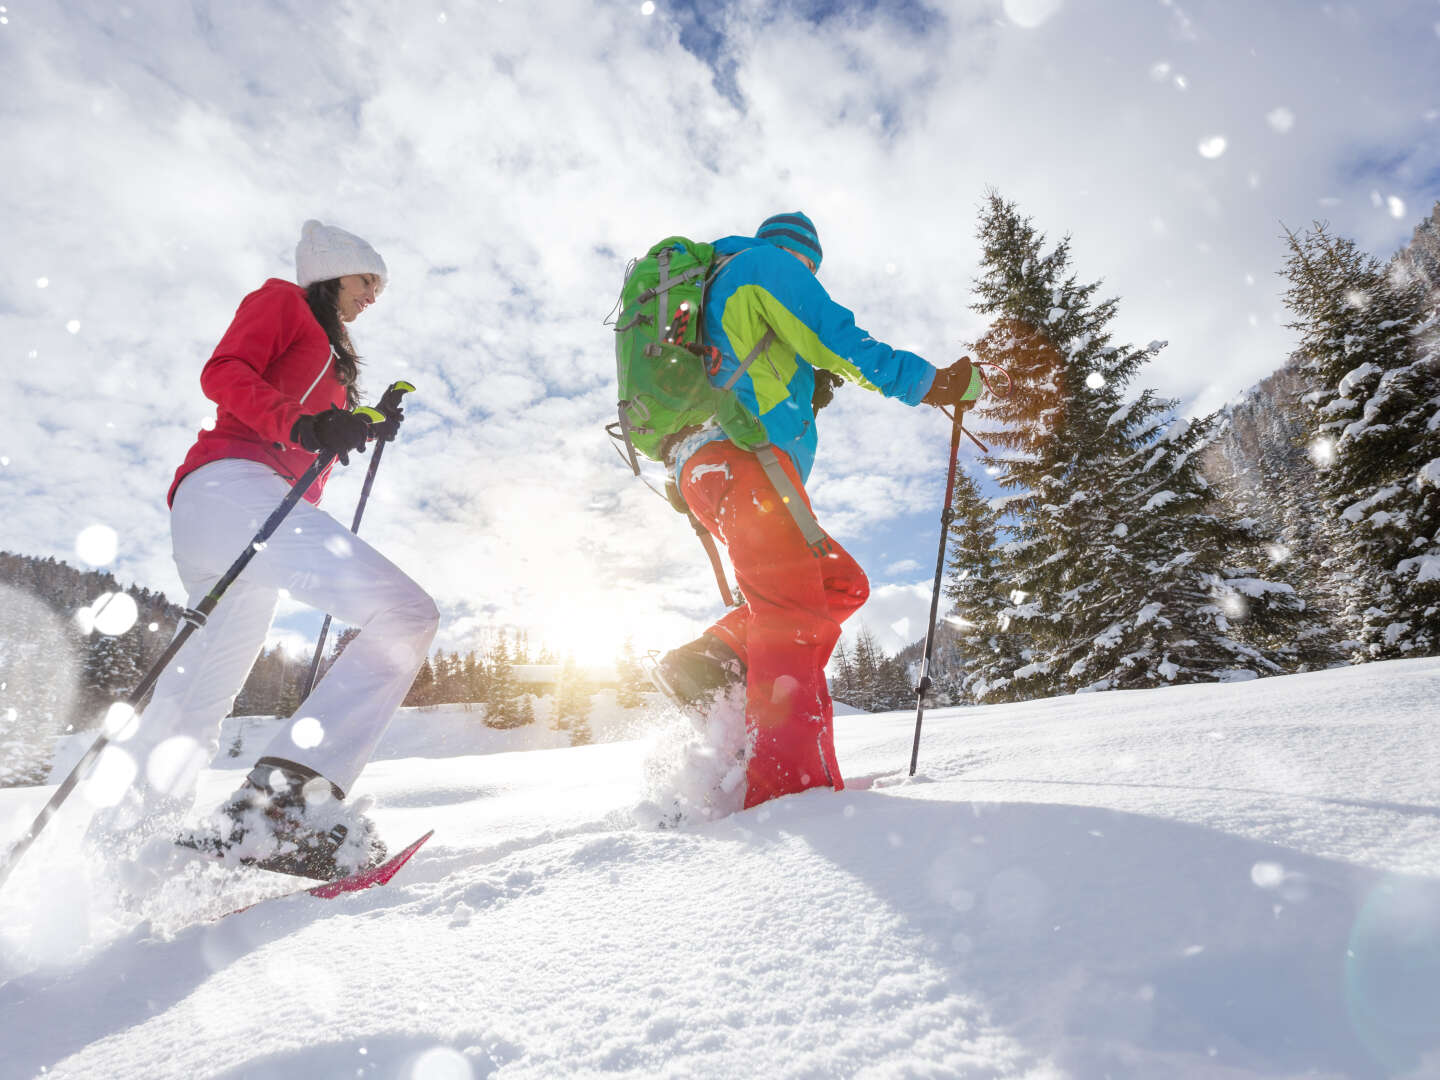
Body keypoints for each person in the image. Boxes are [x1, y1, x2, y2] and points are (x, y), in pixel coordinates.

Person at [87, 220, 439, 880]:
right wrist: (306, 422)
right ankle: (282, 809)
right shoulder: (282, 301)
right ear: (333, 270)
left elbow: (310, 427)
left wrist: (361, 422)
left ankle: (131, 859)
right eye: (368, 280)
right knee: (407, 613)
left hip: (234, 506)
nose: (373, 296)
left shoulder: (332, 357)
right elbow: (226, 374)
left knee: (200, 697)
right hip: (233, 488)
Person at [655, 211, 980, 810]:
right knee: (793, 615)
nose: (810, 276)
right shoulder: (767, 266)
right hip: (745, 463)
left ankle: (716, 657)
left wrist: (804, 386)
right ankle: (792, 794)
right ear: (805, 257)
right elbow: (839, 339)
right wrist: (934, 384)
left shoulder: (714, 286)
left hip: (717, 467)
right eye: (813, 268)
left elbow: (736, 373)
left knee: (839, 582)